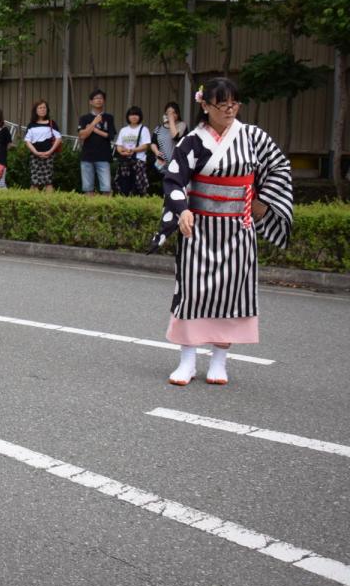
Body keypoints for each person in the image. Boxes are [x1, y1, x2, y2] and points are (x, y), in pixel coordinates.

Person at [149, 78, 293, 387]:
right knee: (192, 292)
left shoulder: (254, 137)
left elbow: (280, 167)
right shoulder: (192, 140)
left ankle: (219, 360)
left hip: (238, 228)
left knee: (231, 293)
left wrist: (263, 201)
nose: (230, 109)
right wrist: (182, 210)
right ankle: (187, 360)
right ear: (205, 106)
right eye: (222, 104)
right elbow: (174, 180)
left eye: (234, 103)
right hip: (198, 229)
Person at [77, 89, 114, 196]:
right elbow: (82, 135)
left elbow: (110, 136)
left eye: (101, 98)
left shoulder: (109, 117)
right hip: (87, 156)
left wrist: (94, 130)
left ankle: (105, 211)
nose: (99, 100)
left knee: (106, 188)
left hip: (104, 156)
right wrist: (94, 122)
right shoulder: (84, 118)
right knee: (88, 188)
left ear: (104, 101)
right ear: (91, 102)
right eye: (96, 98)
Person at [23, 100, 62, 192]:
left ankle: (49, 202)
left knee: (48, 181)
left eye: (44, 107)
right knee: (34, 181)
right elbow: (27, 140)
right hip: (35, 156)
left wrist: (50, 151)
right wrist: (35, 152)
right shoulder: (31, 125)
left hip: (49, 155)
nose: (42, 109)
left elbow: (58, 138)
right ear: (35, 110)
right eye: (40, 108)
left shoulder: (52, 123)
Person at [113, 106, 152, 197]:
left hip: (138, 161)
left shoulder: (144, 129)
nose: (134, 117)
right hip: (125, 162)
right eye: (131, 115)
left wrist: (133, 150)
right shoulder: (123, 130)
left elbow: (146, 145)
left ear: (140, 116)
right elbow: (119, 145)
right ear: (128, 116)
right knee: (124, 186)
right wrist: (122, 152)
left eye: (136, 115)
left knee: (138, 187)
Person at [151, 102, 187, 175]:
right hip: (162, 165)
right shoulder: (158, 128)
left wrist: (171, 121)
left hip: (177, 165)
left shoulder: (182, 125)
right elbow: (153, 143)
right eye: (168, 113)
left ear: (178, 114)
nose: (171, 115)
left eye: (173, 113)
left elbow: (175, 137)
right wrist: (156, 152)